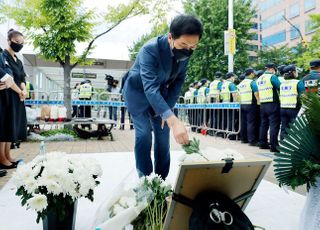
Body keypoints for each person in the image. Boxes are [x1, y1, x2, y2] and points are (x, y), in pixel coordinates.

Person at [123, 14, 203, 179]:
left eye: (193, 46)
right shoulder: (150, 50)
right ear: (170, 37)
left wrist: (167, 112)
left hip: (161, 97)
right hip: (138, 94)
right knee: (144, 134)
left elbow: (177, 84)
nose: (187, 49)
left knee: (163, 137)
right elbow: (150, 87)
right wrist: (173, 120)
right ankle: (145, 180)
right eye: (183, 44)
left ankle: (161, 179)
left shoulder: (186, 54)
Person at [0, 29, 28, 169]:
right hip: (6, 96)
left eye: (22, 43)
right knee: (4, 126)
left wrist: (24, 90)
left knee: (11, 127)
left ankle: (8, 155)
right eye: (17, 42)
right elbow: (7, 78)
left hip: (17, 97)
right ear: (9, 40)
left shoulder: (18, 60)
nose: (19, 45)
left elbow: (22, 77)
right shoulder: (3, 56)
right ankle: (2, 157)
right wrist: (19, 91)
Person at [256, 63, 281, 152]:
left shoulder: (259, 78)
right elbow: (280, 87)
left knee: (264, 124)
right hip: (272, 103)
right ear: (272, 69)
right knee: (274, 125)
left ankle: (262, 143)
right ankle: (274, 146)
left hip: (263, 104)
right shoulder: (272, 77)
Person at [279, 65, 305, 139]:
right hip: (294, 108)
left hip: (283, 108)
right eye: (296, 71)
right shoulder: (298, 82)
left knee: (284, 127)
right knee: (295, 128)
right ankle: (293, 147)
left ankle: (282, 146)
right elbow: (303, 96)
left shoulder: (282, 83)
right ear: (293, 72)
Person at [238, 68, 259, 145]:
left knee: (243, 122)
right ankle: (252, 141)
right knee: (251, 122)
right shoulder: (252, 82)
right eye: (254, 73)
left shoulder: (241, 83)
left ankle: (243, 139)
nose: (254, 74)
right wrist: (259, 102)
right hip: (251, 104)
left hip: (242, 104)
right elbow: (256, 93)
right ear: (251, 73)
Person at [220, 72, 238, 137]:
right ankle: (230, 134)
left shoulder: (223, 85)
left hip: (224, 103)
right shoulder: (231, 84)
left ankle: (223, 133)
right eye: (234, 77)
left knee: (224, 119)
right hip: (231, 104)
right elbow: (234, 94)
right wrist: (236, 103)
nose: (234, 78)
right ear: (231, 77)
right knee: (231, 119)